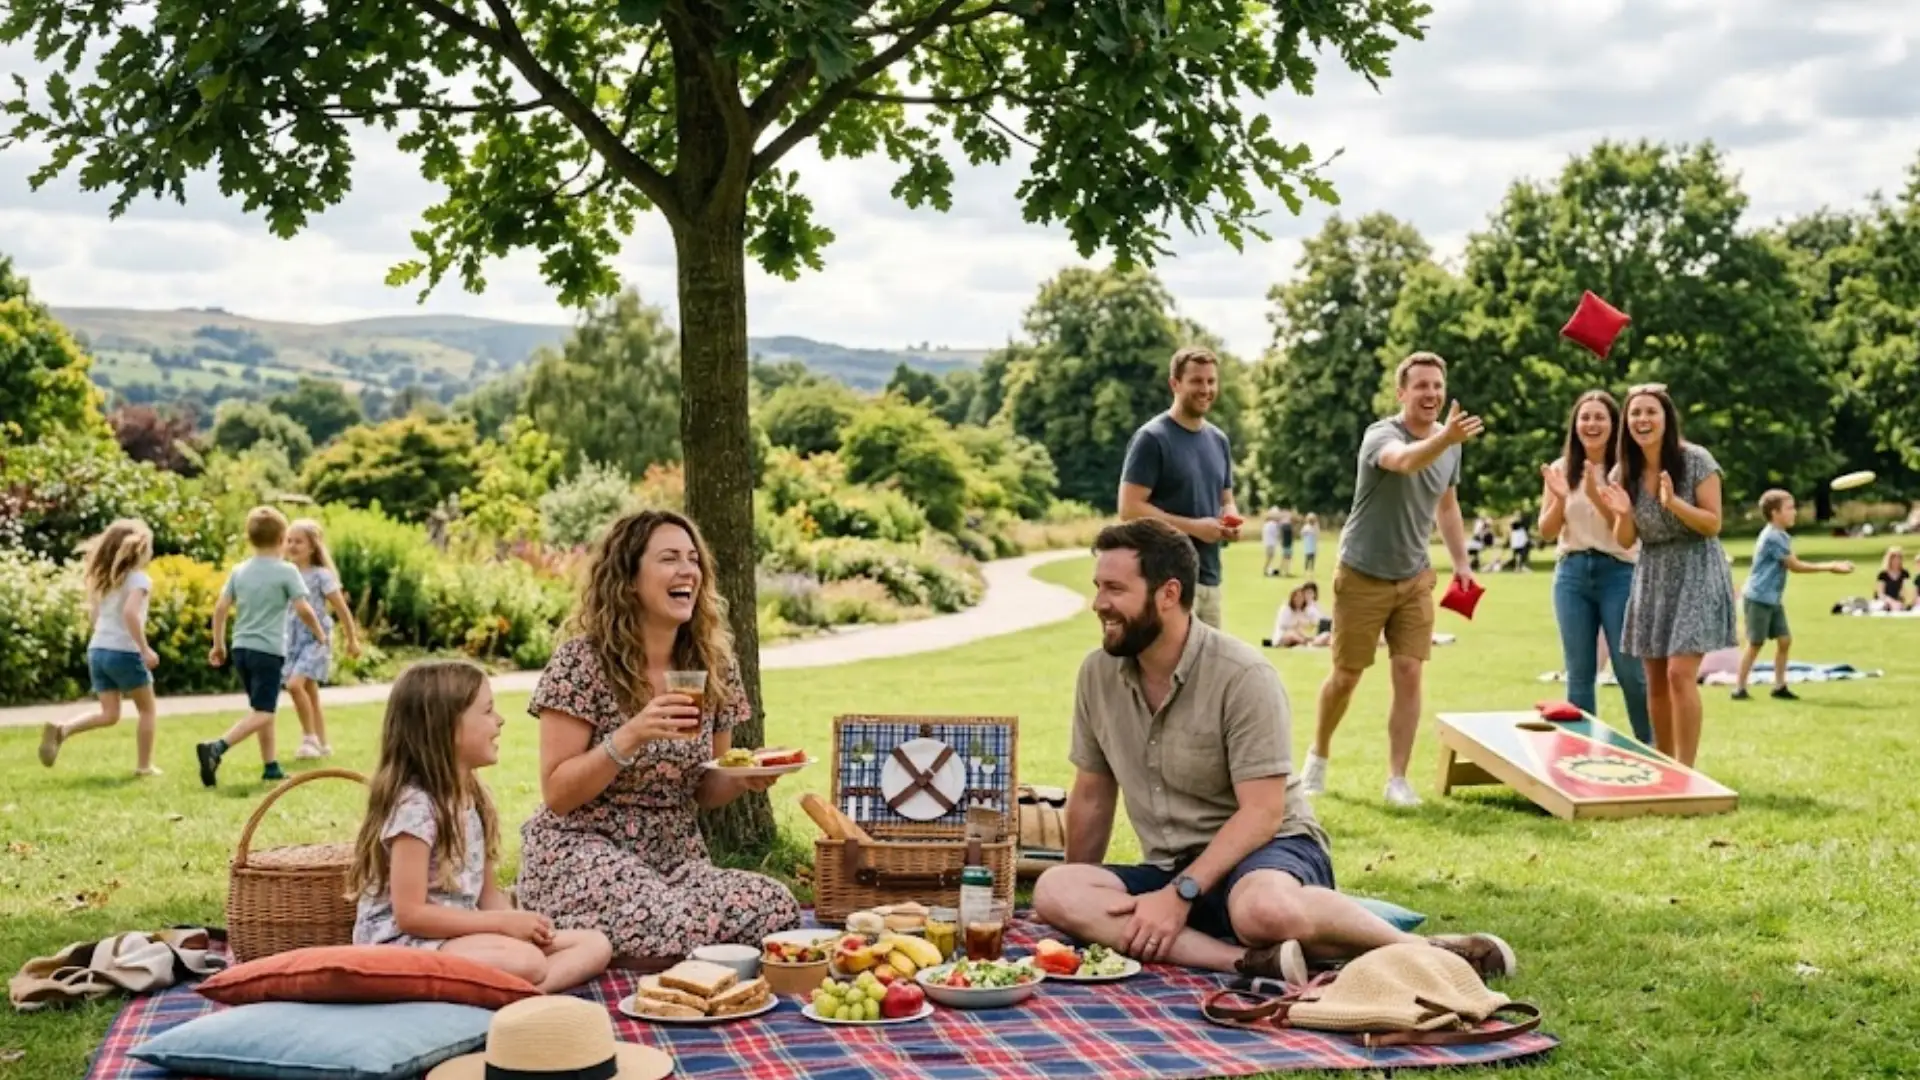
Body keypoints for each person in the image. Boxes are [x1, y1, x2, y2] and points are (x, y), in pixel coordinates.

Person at [1030, 519, 1515, 985]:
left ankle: (1429, 955)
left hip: (1268, 850)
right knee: (1056, 889)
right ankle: (1248, 962)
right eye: (1098, 587)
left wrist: (1181, 894)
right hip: (1170, 865)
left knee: (1261, 911)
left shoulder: (1242, 676)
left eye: (1114, 589)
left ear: (1169, 594)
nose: (1098, 603)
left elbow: (1262, 814)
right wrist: (1080, 898)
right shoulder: (1097, 676)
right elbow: (1092, 797)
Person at [514, 510, 801, 962]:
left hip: (674, 858)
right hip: (584, 848)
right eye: (669, 558)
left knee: (777, 909)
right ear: (628, 579)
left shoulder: (716, 666)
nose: (687, 569)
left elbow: (707, 787)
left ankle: (642, 942)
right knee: (665, 923)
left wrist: (745, 777)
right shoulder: (582, 663)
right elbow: (558, 794)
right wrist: (630, 736)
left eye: (693, 559)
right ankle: (653, 939)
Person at [348, 660, 612, 991]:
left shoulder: (474, 799)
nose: (500, 721)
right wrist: (501, 926)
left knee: (594, 944)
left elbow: (488, 897)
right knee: (526, 961)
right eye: (487, 711)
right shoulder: (416, 808)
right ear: (446, 727)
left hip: (461, 938)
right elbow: (410, 914)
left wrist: (519, 923)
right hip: (401, 947)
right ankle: (506, 1001)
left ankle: (515, 1001)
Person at [1305, 352, 1481, 807]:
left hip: (1414, 575)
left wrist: (1461, 564)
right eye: (1421, 386)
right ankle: (1317, 757)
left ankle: (1397, 779)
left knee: (1409, 671)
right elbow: (1403, 462)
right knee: (1346, 676)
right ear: (1401, 393)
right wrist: (1445, 439)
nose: (1431, 394)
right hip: (1362, 573)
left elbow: (1447, 506)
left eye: (1437, 386)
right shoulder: (1380, 435)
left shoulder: (1450, 442)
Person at [1591, 385, 1736, 768]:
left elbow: (1712, 524)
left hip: (1696, 568)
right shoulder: (1624, 471)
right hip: (1652, 572)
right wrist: (1623, 512)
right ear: (1627, 422)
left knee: (1678, 673)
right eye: (1635, 413)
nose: (1642, 419)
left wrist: (1674, 504)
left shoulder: (1696, 460)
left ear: (1666, 418)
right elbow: (1626, 540)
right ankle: (1665, 762)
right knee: (1654, 678)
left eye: (1650, 412)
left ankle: (1687, 769)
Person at [1536, 390, 1651, 744]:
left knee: (1629, 669)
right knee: (1579, 673)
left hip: (1619, 572)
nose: (1592, 424)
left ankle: (1653, 745)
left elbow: (1627, 537)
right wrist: (1559, 496)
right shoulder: (1559, 469)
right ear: (1576, 425)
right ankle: (1579, 749)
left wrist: (1595, 491)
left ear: (1614, 425)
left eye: (1600, 417)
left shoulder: (1628, 471)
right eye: (1585, 417)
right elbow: (1546, 531)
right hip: (1571, 573)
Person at [198, 507, 326, 787]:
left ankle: (270, 766)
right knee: (265, 711)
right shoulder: (286, 571)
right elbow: (303, 608)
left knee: (260, 708)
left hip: (241, 648)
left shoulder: (239, 570)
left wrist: (218, 645)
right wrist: (319, 633)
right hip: (268, 651)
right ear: (282, 539)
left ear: (249, 538)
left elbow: (220, 609)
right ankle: (216, 748)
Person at [1118, 345, 1240, 629]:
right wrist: (1196, 527)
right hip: (1165, 582)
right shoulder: (1152, 438)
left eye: (1211, 381)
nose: (1206, 389)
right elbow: (1129, 509)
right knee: (1167, 671)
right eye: (1196, 381)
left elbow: (1226, 498)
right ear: (1175, 384)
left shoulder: (1218, 440)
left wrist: (1229, 520)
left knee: (1207, 670)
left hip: (1210, 578)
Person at [38, 519, 163, 775]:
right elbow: (131, 613)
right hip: (124, 651)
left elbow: (95, 616)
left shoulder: (105, 580)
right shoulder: (139, 580)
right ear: (139, 550)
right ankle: (144, 767)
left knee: (110, 714)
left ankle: (63, 729)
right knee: (148, 710)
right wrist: (144, 648)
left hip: (98, 649)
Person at [1733, 490, 1852, 700]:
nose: (1794, 512)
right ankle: (1739, 688)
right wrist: (1831, 566)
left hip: (1772, 598)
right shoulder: (1773, 537)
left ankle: (1779, 687)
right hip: (1759, 597)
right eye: (1789, 508)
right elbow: (1794, 566)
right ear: (1775, 512)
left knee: (1784, 640)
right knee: (1755, 643)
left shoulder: (1780, 535)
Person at [282, 519, 363, 760]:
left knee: (295, 685)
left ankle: (309, 739)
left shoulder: (321, 575)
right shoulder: (286, 572)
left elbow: (340, 608)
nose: (292, 546)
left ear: (312, 547)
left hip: (316, 638)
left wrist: (352, 639)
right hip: (293, 639)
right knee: (310, 691)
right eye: (289, 541)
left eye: (299, 541)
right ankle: (323, 743)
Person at [1263, 587, 1330, 649]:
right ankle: (1308, 644)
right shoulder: (1285, 608)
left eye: (1301, 597)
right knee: (1292, 634)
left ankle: (1312, 643)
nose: (1299, 599)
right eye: (1297, 597)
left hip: (1302, 636)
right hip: (1283, 636)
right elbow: (1283, 625)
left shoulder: (1304, 610)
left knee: (1326, 635)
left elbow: (1314, 621)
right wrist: (1297, 623)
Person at [1261, 510, 1282, 577]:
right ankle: (1265, 570)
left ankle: (1268, 570)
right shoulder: (1273, 524)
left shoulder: (1266, 524)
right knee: (1270, 557)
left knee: (1269, 557)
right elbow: (1276, 534)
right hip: (1271, 543)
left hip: (1267, 543)